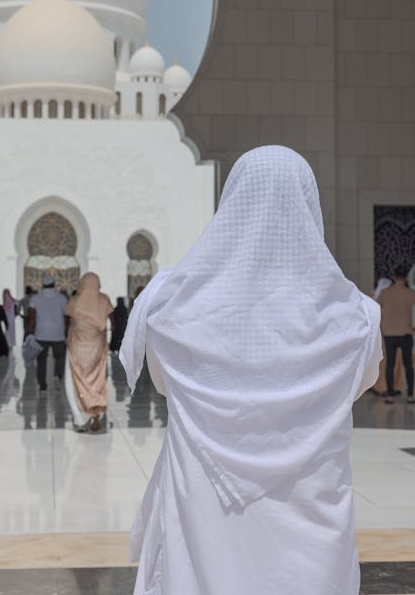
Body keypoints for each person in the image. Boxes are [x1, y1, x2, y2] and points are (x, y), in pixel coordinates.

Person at [120, 146, 382, 595]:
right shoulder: (356, 317)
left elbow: (165, 384)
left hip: (204, 514)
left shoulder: (169, 310)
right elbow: (361, 384)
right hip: (312, 518)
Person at [65, 273, 113, 432]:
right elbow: (109, 321)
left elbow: (68, 320)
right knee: (97, 381)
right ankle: (95, 414)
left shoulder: (75, 300)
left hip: (76, 348)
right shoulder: (104, 300)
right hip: (97, 349)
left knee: (73, 382)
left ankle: (79, 418)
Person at [377, 265, 415, 405]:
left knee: (390, 365)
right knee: (408, 365)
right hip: (406, 333)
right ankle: (410, 395)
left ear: (393, 277)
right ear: (405, 278)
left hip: (390, 334)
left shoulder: (385, 293)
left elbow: (376, 307)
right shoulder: (410, 293)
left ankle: (390, 396)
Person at [27, 273, 67, 392]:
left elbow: (31, 317)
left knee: (41, 360)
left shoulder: (36, 298)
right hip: (58, 333)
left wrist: (29, 331)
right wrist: (67, 330)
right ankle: (57, 376)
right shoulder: (62, 298)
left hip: (41, 333)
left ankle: (42, 384)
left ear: (42, 285)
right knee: (60, 357)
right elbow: (66, 316)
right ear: (54, 284)